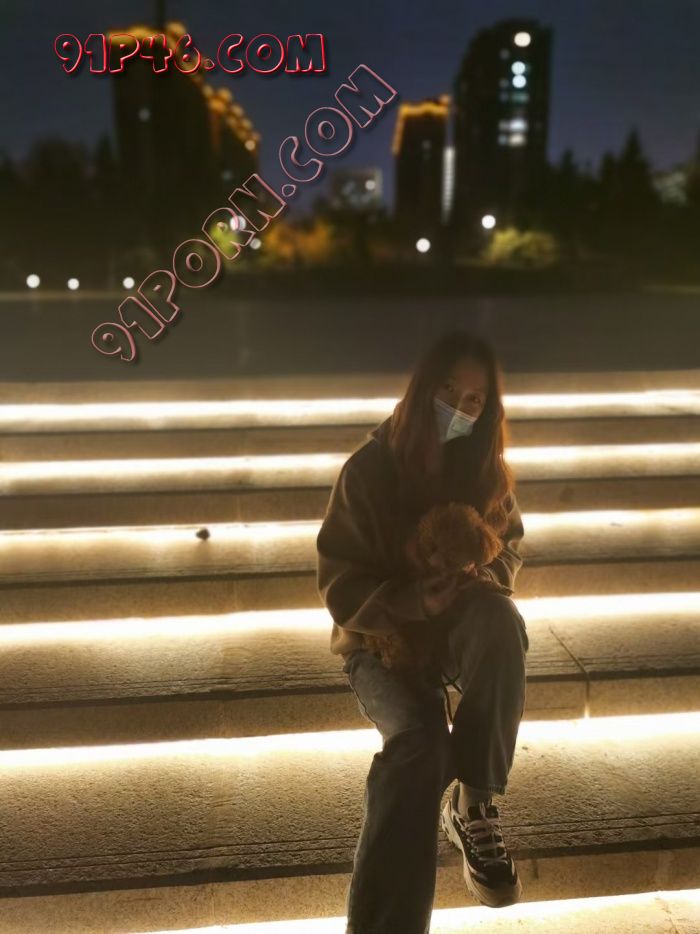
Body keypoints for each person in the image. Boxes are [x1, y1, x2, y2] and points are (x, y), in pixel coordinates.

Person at [315, 329, 530, 934]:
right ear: (421, 388)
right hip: (378, 642)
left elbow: (509, 551)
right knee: (420, 747)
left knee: (500, 621)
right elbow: (340, 585)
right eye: (448, 391)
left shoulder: (486, 471)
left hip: (456, 625)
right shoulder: (367, 471)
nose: (459, 408)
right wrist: (410, 600)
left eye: (474, 400)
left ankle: (474, 801)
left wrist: (477, 577)